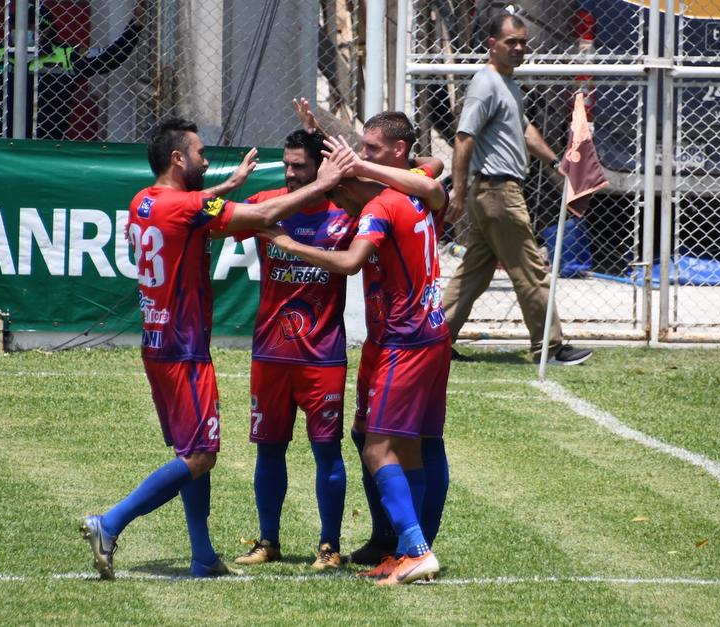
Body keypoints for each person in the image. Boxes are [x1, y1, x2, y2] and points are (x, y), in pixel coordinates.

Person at [80, 116, 354, 580]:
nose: (206, 159)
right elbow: (260, 216)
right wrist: (325, 181)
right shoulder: (189, 209)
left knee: (192, 453)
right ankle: (110, 522)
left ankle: (203, 556)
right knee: (201, 456)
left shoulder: (144, 201)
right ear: (177, 158)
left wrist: (228, 183)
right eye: (201, 153)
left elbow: (193, 204)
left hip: (157, 343)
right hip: (184, 350)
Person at [265, 139, 450, 585]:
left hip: (403, 342)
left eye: (334, 193)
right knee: (406, 448)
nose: (333, 203)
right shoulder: (417, 190)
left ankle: (417, 548)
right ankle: (407, 550)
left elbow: (348, 262)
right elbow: (432, 165)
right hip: (429, 333)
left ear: (349, 187)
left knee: (376, 448)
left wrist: (287, 243)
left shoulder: (378, 209)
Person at [211, 129, 353, 571]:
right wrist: (228, 189)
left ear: (321, 168)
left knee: (326, 451)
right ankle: (268, 540)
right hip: (270, 352)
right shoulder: (265, 205)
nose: (290, 174)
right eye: (287, 165)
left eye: (300, 166)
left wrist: (338, 147)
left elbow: (426, 172)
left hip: (323, 356)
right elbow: (214, 216)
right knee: (267, 448)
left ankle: (329, 546)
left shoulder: (347, 210)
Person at [441, 11, 594, 366]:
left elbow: (525, 131)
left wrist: (558, 163)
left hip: (496, 193)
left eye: (523, 42)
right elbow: (464, 137)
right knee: (530, 271)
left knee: (472, 274)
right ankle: (551, 348)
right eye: (511, 42)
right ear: (492, 45)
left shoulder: (509, 85)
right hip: (496, 193)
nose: (519, 48)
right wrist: (459, 193)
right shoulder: (485, 83)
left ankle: (431, 341)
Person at [0, 1, 145, 139]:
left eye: (31, 28)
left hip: (50, 142)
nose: (22, 33)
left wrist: (134, 26)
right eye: (17, 28)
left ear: (47, 29)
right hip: (5, 140)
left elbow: (109, 57)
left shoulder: (65, 56)